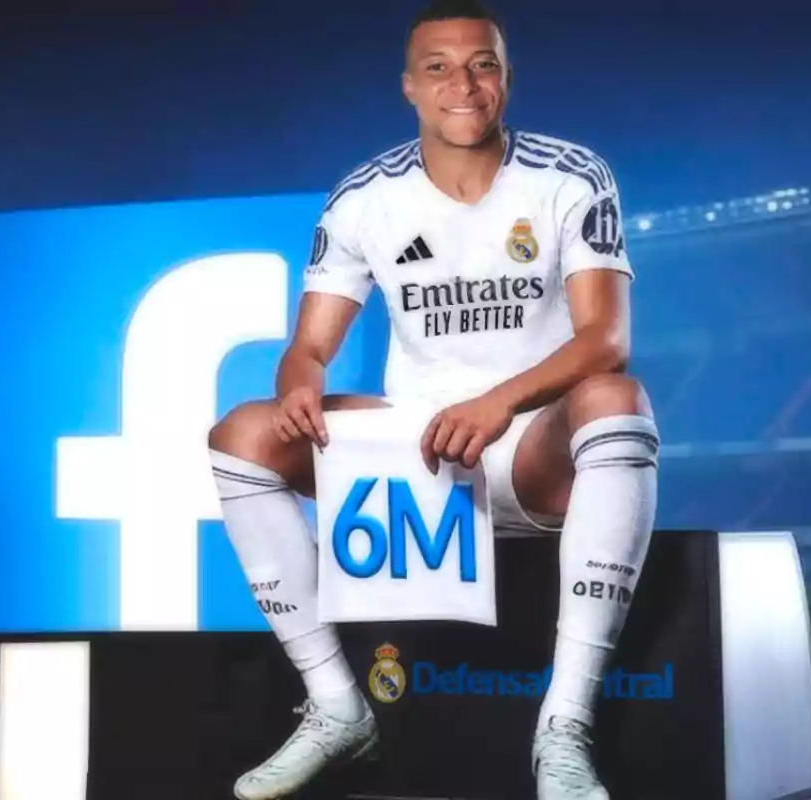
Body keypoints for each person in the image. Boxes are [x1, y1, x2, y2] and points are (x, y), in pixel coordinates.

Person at [207, 1, 659, 797]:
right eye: (440, 67)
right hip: (413, 463)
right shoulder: (361, 198)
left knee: (617, 396)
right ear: (410, 87)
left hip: (528, 450)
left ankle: (565, 727)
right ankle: (337, 707)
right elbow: (308, 347)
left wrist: (498, 403)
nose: (464, 82)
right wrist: (298, 385)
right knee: (242, 432)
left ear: (507, 79)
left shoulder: (570, 175)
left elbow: (604, 340)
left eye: (483, 63)